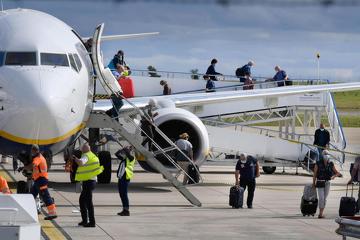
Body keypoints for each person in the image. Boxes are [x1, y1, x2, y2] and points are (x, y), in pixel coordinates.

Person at [74, 143, 104, 227]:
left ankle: (91, 222)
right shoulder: (93, 156)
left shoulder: (86, 156)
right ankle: (85, 220)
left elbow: (81, 163)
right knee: (83, 201)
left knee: (88, 203)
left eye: (82, 149)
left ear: (85, 149)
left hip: (88, 182)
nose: (81, 150)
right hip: (92, 181)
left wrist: (75, 158)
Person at [27, 144, 57, 220]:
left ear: (34, 150)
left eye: (32, 151)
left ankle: (52, 213)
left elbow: (33, 165)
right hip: (38, 180)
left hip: (41, 180)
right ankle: (27, 210)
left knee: (45, 195)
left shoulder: (38, 158)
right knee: (31, 195)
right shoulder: (40, 156)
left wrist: (24, 167)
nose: (31, 152)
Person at [312, 153, 341, 218]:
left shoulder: (331, 163)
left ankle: (321, 213)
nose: (326, 155)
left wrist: (334, 176)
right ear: (322, 155)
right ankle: (320, 214)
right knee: (321, 198)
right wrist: (313, 184)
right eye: (325, 154)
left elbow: (337, 173)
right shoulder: (318, 163)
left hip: (327, 183)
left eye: (327, 154)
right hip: (320, 182)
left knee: (324, 198)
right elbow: (314, 175)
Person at [115, 146, 135, 216]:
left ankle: (126, 210)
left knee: (124, 194)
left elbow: (128, 153)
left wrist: (126, 149)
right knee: (121, 194)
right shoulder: (124, 159)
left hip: (125, 179)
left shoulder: (131, 158)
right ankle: (124, 209)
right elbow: (116, 154)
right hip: (121, 178)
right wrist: (121, 149)